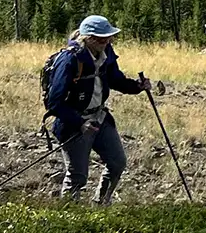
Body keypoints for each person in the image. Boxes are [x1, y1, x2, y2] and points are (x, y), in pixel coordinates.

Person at [44, 14, 149, 205]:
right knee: (78, 176)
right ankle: (67, 215)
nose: (107, 41)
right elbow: (54, 102)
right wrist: (80, 123)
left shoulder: (106, 53)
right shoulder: (70, 60)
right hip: (73, 123)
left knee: (117, 163)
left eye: (109, 37)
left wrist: (137, 86)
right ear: (88, 38)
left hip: (99, 117)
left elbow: (116, 80)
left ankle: (101, 204)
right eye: (102, 38)